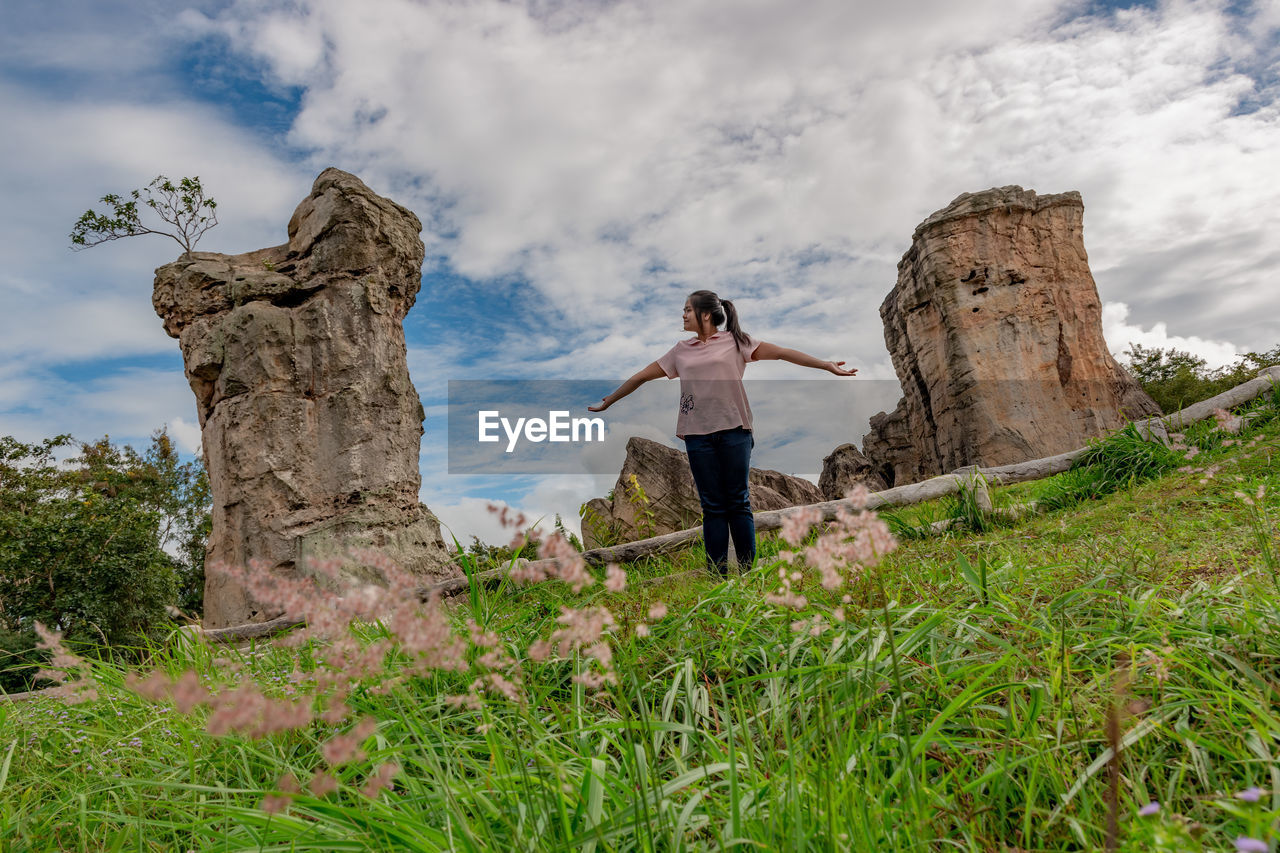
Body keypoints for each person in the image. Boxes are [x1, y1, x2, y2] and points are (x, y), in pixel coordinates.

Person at [588, 290, 857, 575]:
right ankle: (717, 575)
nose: (683, 315)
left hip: (735, 430)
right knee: (712, 507)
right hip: (697, 435)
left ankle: (748, 572)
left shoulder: (736, 341)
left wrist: (825, 365)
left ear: (705, 314)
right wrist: (610, 400)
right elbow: (642, 375)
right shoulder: (680, 351)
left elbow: (781, 354)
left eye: (687, 310)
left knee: (738, 501)